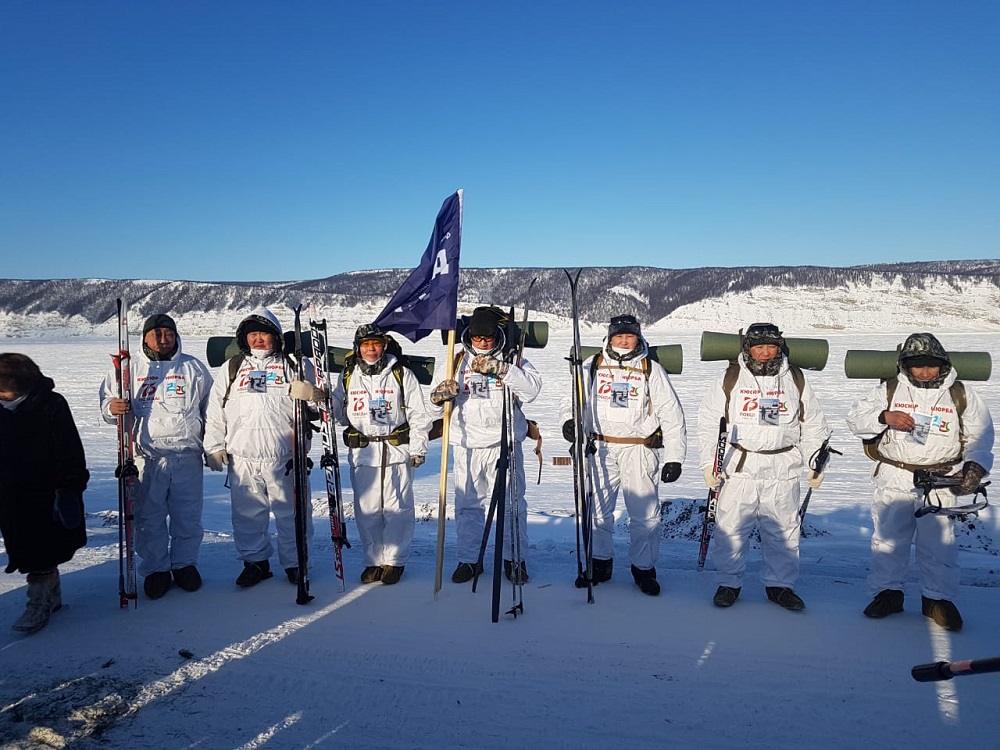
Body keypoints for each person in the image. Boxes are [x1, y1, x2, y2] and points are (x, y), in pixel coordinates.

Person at [846, 332, 994, 631]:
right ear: (906, 366)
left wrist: (975, 466)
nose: (925, 371)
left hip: (941, 478)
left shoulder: (959, 394)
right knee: (888, 540)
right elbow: (855, 419)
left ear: (943, 364)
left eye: (931, 365)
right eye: (917, 365)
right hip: (895, 475)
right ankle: (887, 593)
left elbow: (980, 435)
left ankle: (937, 599)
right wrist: (885, 416)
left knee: (938, 543)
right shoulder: (889, 389)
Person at [698, 323, 830, 611]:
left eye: (771, 346)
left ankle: (780, 586)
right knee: (731, 527)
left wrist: (814, 462)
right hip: (740, 464)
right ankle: (729, 583)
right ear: (748, 349)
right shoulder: (731, 378)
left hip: (783, 465)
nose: (766, 352)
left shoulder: (795, 379)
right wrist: (709, 462)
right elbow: (709, 422)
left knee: (783, 530)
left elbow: (813, 424)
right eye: (759, 347)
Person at [560, 314, 686, 596]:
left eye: (630, 336)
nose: (625, 341)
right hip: (600, 447)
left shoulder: (650, 368)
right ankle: (600, 563)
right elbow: (570, 399)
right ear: (610, 337)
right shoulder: (593, 365)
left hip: (639, 448)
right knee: (597, 511)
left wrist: (675, 456)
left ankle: (643, 569)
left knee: (644, 514)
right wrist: (569, 422)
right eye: (620, 336)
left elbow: (671, 412)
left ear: (638, 338)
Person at [204, 309, 321, 588]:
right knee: (247, 516)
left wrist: (314, 395)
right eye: (252, 334)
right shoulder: (233, 367)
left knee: (292, 516)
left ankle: (295, 563)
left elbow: (324, 408)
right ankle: (255, 562)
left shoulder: (295, 365)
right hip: (242, 457)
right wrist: (214, 446)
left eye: (264, 334)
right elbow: (215, 410)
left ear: (276, 337)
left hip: (285, 456)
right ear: (244, 339)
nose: (258, 340)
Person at [99, 313, 213, 599]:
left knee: (187, 516)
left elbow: (211, 410)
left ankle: (185, 563)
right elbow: (107, 403)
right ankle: (156, 568)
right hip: (146, 457)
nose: (163, 339)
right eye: (157, 334)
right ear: (145, 337)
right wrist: (112, 408)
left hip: (186, 455)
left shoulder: (193, 368)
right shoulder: (127, 369)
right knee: (149, 518)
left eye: (169, 334)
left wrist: (214, 446)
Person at [429, 306, 542, 584]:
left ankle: (514, 559)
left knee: (512, 505)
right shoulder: (455, 360)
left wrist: (503, 370)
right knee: (468, 506)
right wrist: (441, 394)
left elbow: (532, 391)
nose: (483, 342)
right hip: (467, 443)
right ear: (470, 335)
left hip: (503, 443)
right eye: (478, 338)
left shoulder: (514, 358)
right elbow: (433, 399)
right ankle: (470, 559)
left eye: (488, 337)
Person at [332, 324, 432, 585]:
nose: (371, 349)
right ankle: (374, 561)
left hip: (396, 452)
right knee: (367, 510)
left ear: (384, 345)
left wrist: (418, 448)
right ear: (358, 347)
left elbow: (419, 415)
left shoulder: (401, 374)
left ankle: (395, 561)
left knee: (397, 508)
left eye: (376, 343)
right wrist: (318, 399)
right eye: (366, 345)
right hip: (363, 453)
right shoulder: (348, 376)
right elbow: (339, 415)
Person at [0, 353, 89, 634]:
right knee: (24, 548)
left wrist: (71, 487)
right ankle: (51, 594)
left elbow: (71, 449)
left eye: (7, 389)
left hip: (47, 493)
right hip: (9, 494)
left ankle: (38, 603)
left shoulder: (51, 404)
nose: (4, 395)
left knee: (42, 551)